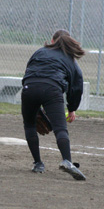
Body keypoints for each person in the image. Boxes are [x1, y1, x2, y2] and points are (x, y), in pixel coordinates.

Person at [21, 29, 86, 180]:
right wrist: (72, 109)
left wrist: (31, 96)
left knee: (29, 125)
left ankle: (38, 164)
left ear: (52, 41)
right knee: (60, 128)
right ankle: (67, 161)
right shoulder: (70, 59)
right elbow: (76, 86)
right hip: (52, 89)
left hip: (29, 87)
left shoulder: (39, 52)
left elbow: (29, 71)